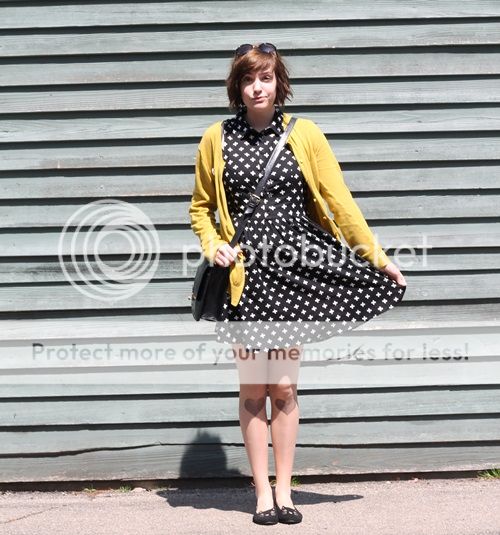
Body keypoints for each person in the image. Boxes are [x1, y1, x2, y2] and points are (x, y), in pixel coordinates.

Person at [189, 42, 407, 525]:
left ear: (278, 83)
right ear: (237, 87)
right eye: (248, 79)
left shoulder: (304, 133)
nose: (257, 87)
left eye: (265, 77)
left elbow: (339, 200)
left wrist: (378, 258)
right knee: (253, 389)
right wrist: (213, 245)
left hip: (295, 275)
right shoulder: (216, 138)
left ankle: (285, 491)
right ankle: (261, 494)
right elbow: (200, 209)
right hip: (245, 280)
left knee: (284, 389)